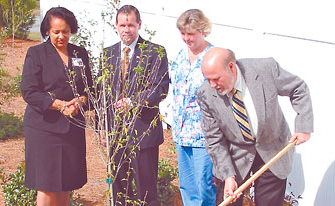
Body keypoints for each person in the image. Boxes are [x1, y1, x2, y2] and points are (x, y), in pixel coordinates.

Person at [196, 47, 313, 205]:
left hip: (272, 150)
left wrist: (303, 125)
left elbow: (298, 88)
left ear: (231, 67)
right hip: (234, 156)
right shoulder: (206, 95)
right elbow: (214, 140)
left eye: (216, 78)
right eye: (207, 79)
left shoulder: (265, 70)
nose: (212, 85)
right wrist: (228, 176)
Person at [20, 7, 92, 206]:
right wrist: (59, 105)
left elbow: (90, 89)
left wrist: (80, 101)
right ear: (47, 31)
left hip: (72, 129)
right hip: (44, 129)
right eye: (56, 31)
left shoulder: (80, 53)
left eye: (66, 31)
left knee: (66, 184)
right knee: (47, 185)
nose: (61, 36)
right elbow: (29, 91)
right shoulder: (36, 54)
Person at [100, 5, 169, 205]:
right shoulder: (108, 54)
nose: (126, 29)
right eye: (122, 25)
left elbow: (160, 88)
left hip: (143, 132)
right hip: (115, 134)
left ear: (139, 25)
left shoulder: (155, 52)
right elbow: (102, 93)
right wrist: (103, 128)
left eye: (131, 25)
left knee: (145, 191)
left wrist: (133, 102)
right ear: (116, 25)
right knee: (119, 189)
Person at [170, 9, 216, 205]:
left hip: (204, 135)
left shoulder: (213, 57)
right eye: (183, 33)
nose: (186, 38)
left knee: (205, 185)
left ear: (203, 30)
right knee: (187, 186)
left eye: (191, 34)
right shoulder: (180, 56)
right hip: (181, 133)